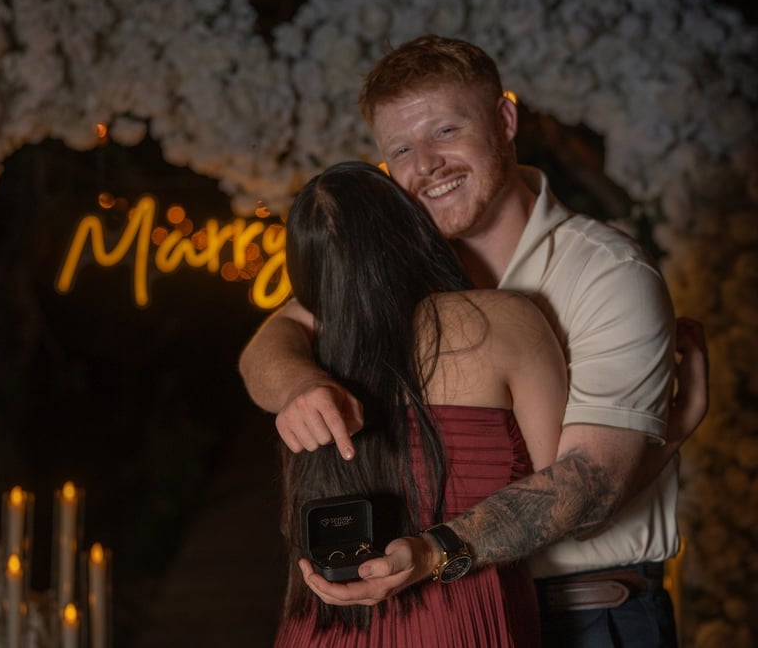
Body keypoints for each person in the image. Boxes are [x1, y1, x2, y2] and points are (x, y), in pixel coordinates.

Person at [240, 35, 709, 648]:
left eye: (445, 132)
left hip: (591, 612)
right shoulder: (397, 270)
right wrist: (301, 386)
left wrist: (438, 554)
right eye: (402, 148)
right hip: (444, 613)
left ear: (504, 121)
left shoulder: (606, 273)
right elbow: (272, 339)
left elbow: (588, 490)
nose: (426, 165)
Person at [274, 160, 567, 647]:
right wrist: (674, 430)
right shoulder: (506, 321)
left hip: (323, 626)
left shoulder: (302, 370)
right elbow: (565, 498)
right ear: (411, 230)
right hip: (464, 619)